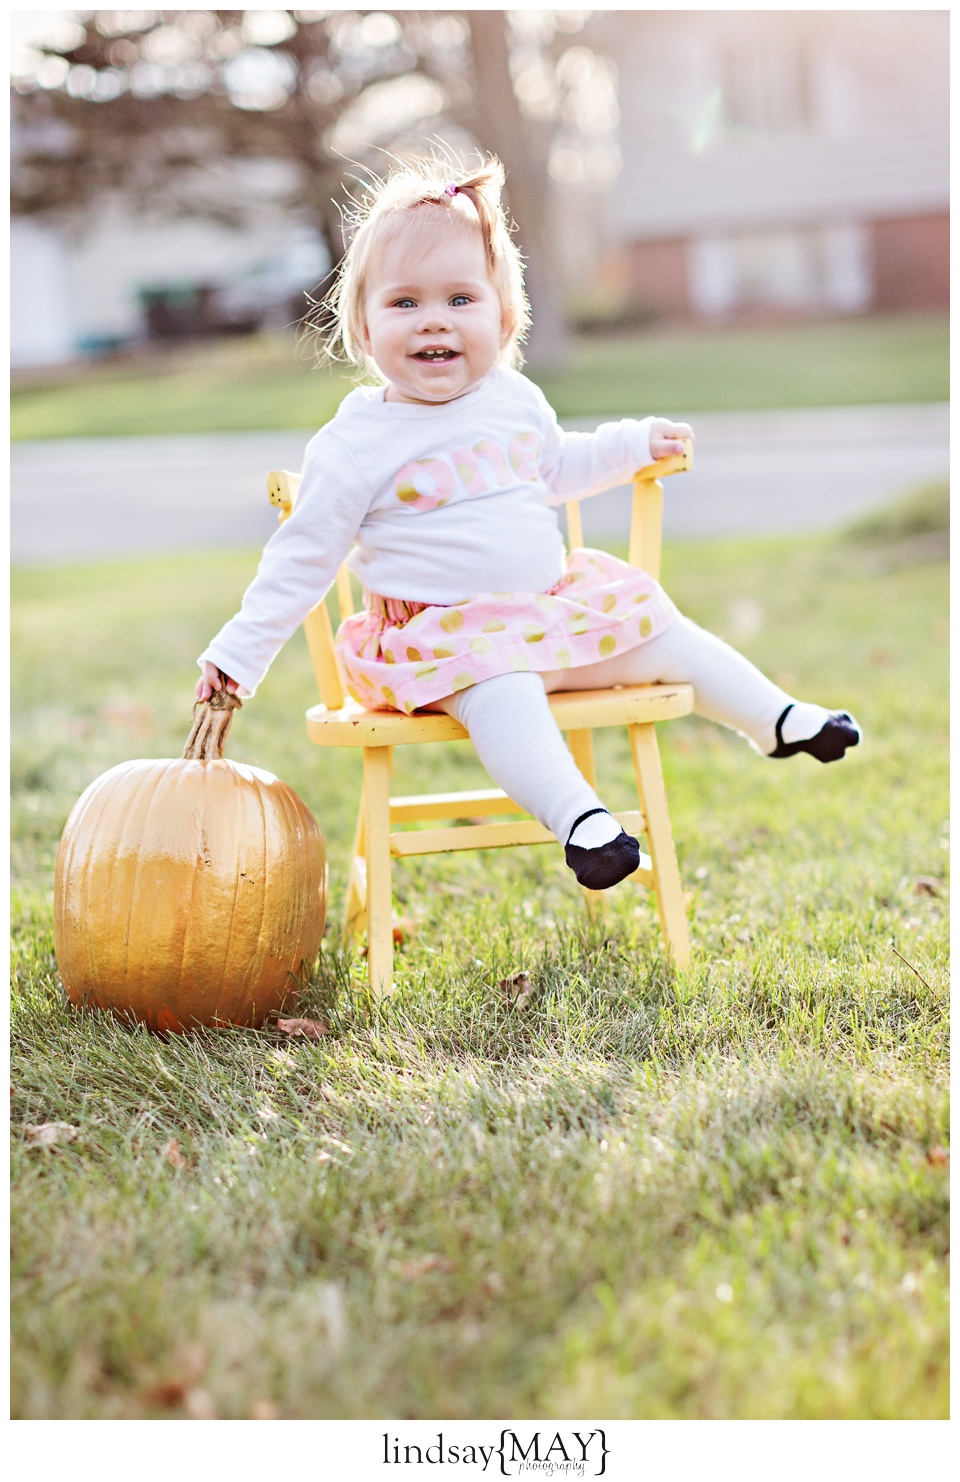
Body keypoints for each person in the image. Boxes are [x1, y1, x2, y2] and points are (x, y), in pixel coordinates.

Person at [197, 157, 860, 891]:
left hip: (549, 620)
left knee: (659, 624)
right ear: (362, 323)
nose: (435, 320)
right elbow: (302, 559)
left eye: (459, 298)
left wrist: (634, 443)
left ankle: (776, 719)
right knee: (502, 689)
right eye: (405, 303)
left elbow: (561, 467)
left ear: (504, 316)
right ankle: (583, 823)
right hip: (439, 641)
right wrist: (239, 655)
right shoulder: (356, 443)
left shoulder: (512, 399)